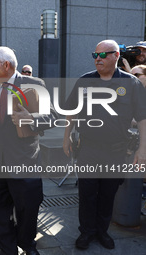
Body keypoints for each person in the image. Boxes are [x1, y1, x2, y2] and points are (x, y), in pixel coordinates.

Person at [63, 39, 146, 251]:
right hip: (88, 149)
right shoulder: (84, 81)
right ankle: (87, 232)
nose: (97, 60)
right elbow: (71, 111)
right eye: (95, 55)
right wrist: (66, 136)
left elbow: (143, 118)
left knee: (108, 194)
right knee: (87, 194)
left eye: (103, 55)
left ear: (116, 56)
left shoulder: (131, 83)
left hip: (116, 151)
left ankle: (102, 231)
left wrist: (142, 149)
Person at [0, 46, 57, 255]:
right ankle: (8, 249)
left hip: (24, 163)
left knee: (28, 209)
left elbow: (52, 117)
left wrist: (31, 119)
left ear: (6, 65)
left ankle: (27, 244)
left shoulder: (34, 84)